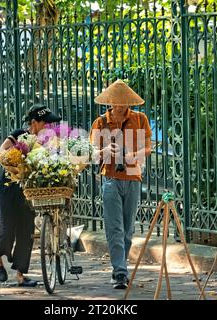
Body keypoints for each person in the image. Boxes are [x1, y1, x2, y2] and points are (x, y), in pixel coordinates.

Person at [90, 79, 152, 289]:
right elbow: (91, 154)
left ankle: (120, 265)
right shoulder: (100, 122)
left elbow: (148, 149)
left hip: (133, 177)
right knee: (114, 228)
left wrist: (131, 155)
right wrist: (105, 152)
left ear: (128, 102)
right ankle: (120, 272)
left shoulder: (140, 119)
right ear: (110, 101)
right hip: (110, 178)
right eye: (116, 101)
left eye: (123, 101)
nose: (119, 105)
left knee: (128, 230)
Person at [0, 104, 61, 286]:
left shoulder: (49, 141)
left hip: (30, 190)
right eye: (46, 122)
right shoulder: (19, 135)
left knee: (26, 232)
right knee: (7, 230)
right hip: (9, 188)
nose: (49, 126)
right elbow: (0, 153)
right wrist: (16, 161)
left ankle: (21, 275)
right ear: (34, 122)